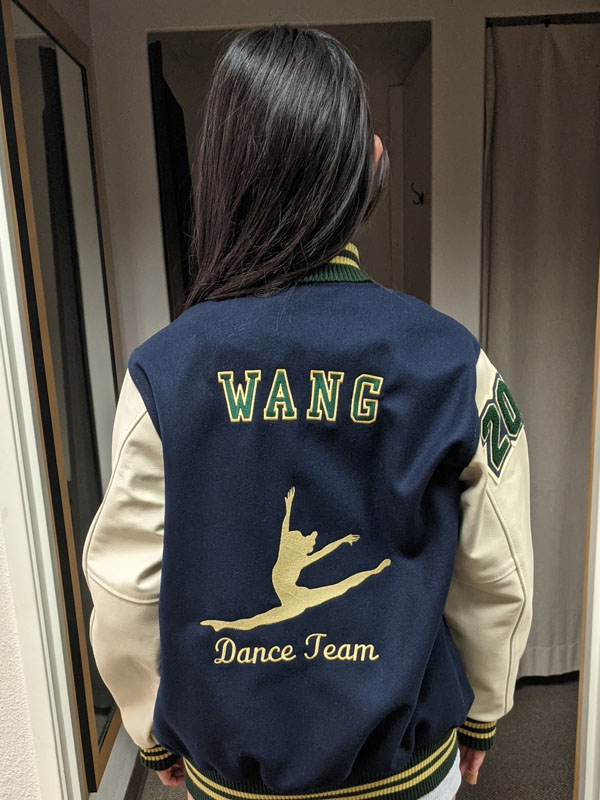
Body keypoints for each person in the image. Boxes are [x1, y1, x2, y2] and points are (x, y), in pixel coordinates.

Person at [82, 23, 534, 800]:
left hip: (234, 777)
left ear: (221, 175)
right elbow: (499, 569)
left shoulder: (164, 371)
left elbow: (126, 586)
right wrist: (484, 710)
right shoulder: (451, 361)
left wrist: (152, 730)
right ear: (372, 166)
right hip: (402, 772)